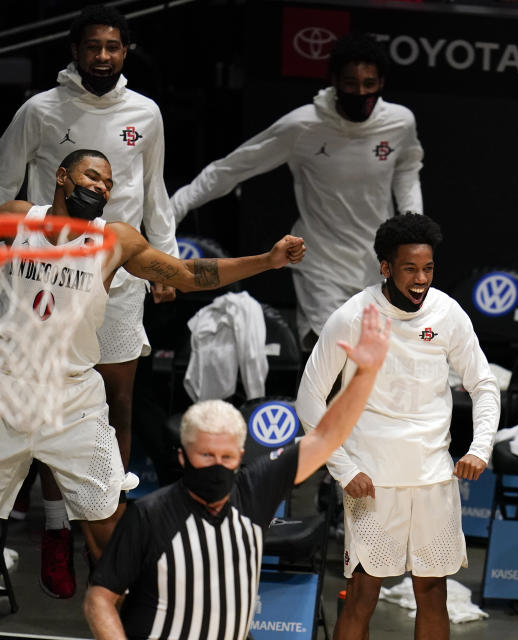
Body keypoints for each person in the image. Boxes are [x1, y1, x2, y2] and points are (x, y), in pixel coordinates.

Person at [0, 149, 305, 584]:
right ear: (62, 176)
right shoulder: (18, 219)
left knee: (108, 528)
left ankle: (129, 618)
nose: (103, 188)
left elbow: (188, 274)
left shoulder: (117, 239)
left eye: (109, 184)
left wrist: (266, 261)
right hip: (9, 387)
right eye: (93, 177)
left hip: (72, 400)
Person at [0, 4, 179, 597]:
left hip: (119, 275)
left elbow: (154, 193)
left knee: (114, 404)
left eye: (113, 47)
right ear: (75, 51)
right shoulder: (39, 110)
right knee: (49, 397)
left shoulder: (145, 113)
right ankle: (56, 529)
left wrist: (166, 264)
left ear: (126, 52)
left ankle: (97, 520)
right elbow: (4, 190)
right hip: (46, 277)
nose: (103, 56)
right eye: (92, 46)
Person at [83, 303, 389, 640]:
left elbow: (327, 436)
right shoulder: (149, 517)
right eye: (206, 455)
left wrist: (365, 375)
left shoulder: (254, 491)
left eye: (226, 457)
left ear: (240, 456)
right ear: (183, 458)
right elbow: (99, 599)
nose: (217, 466)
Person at [296, 213, 500, 640]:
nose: (421, 278)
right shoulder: (353, 316)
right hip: (372, 480)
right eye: (410, 268)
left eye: (428, 268)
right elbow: (309, 399)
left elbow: (484, 383)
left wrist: (480, 447)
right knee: (363, 592)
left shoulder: (448, 313)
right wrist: (344, 468)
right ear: (386, 268)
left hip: (433, 477)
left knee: (432, 591)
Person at [170, 33, 423, 350]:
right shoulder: (303, 126)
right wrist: (174, 208)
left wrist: (415, 226)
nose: (360, 92)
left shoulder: (399, 122)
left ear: (381, 83)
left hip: (375, 264)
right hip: (320, 265)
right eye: (350, 83)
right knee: (332, 357)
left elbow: (408, 169)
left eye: (369, 84)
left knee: (375, 365)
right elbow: (231, 169)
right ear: (333, 81)